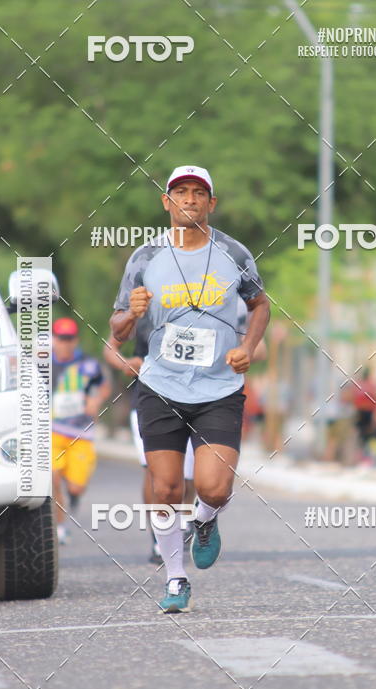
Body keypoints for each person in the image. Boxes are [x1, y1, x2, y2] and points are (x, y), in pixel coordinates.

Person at [110, 165, 270, 613]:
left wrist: (249, 346)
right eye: (180, 192)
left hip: (219, 387)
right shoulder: (144, 258)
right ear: (166, 201)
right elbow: (117, 330)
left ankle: (203, 521)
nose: (190, 200)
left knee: (214, 489)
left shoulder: (234, 254)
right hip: (160, 386)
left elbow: (260, 305)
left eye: (199, 193)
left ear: (211, 204)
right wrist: (131, 314)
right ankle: (176, 579)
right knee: (163, 490)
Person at [103, 328, 196, 565]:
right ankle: (159, 537)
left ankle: (184, 524)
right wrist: (126, 363)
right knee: (154, 470)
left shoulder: (200, 300)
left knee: (187, 474)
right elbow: (110, 348)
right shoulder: (143, 300)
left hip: (193, 398)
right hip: (149, 399)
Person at [51, 317, 112, 543]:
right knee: (52, 479)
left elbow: (104, 386)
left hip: (81, 434)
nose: (65, 343)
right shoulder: (42, 363)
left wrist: (96, 400)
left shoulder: (88, 364)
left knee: (76, 486)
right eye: (61, 338)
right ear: (53, 339)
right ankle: (58, 527)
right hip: (53, 432)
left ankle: (73, 495)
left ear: (75, 340)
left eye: (69, 339)